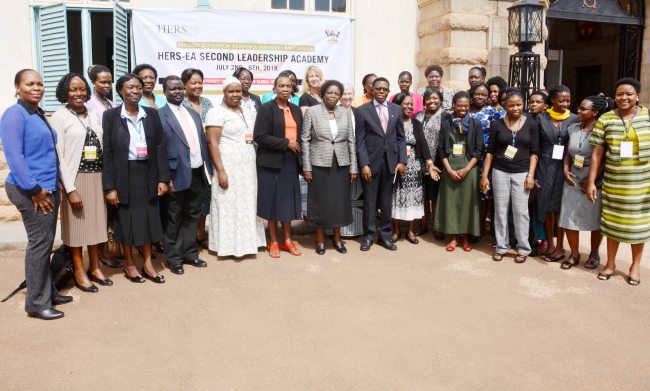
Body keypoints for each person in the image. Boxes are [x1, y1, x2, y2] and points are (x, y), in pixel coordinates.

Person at [0, 69, 70, 320]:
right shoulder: (14, 114)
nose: (36, 88)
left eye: (40, 83)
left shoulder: (37, 113)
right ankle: (37, 303)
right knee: (40, 245)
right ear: (17, 87)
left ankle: (47, 291)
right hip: (30, 190)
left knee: (45, 242)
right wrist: (35, 190)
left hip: (46, 187)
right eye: (30, 84)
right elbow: (14, 156)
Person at [102, 73, 169, 284]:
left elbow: (160, 147)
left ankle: (148, 264)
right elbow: (109, 153)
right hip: (124, 175)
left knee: (148, 221)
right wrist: (110, 187)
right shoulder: (111, 116)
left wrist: (163, 179)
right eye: (130, 87)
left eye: (139, 87)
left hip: (147, 174)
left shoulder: (151, 114)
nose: (135, 91)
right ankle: (130, 264)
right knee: (126, 222)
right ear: (121, 90)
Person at [50, 72, 110, 292]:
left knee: (95, 225)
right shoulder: (59, 117)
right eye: (73, 89)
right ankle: (79, 271)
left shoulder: (93, 114)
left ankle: (94, 267)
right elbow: (60, 157)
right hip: (75, 178)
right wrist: (70, 189)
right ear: (65, 92)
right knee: (76, 228)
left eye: (82, 89)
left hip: (97, 177)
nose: (78, 93)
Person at [587, 78, 650, 285]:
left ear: (637, 96)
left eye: (629, 94)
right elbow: (597, 154)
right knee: (612, 226)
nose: (624, 97)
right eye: (620, 94)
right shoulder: (606, 119)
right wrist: (590, 182)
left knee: (638, 227)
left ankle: (635, 266)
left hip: (642, 184)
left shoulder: (648, 117)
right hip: (614, 183)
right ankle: (610, 263)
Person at [205, 77, 266, 257]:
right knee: (228, 203)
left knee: (247, 203)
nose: (235, 94)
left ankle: (249, 242)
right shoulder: (216, 112)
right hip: (227, 165)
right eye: (231, 91)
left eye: (238, 91)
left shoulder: (247, 110)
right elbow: (212, 143)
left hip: (247, 165)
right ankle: (228, 246)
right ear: (224, 93)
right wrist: (221, 171)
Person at [159, 75, 213, 274]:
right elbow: (159, 150)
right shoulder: (159, 115)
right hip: (175, 175)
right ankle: (174, 258)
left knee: (193, 215)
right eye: (172, 89)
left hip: (198, 172)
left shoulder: (193, 114)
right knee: (174, 218)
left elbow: (201, 143)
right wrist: (165, 178)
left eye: (180, 88)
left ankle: (190, 253)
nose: (177, 92)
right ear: (164, 92)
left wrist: (208, 171)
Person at [480, 90, 539, 262]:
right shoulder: (498, 124)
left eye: (518, 105)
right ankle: (501, 246)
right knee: (500, 211)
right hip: (500, 172)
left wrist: (530, 175)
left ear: (523, 105)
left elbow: (535, 152)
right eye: (511, 105)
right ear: (505, 105)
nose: (515, 108)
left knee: (521, 212)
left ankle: (523, 248)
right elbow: (490, 151)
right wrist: (485, 175)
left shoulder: (531, 124)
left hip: (522, 173)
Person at [301, 80, 357, 254]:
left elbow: (351, 140)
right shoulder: (312, 111)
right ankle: (319, 240)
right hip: (319, 164)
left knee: (339, 202)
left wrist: (353, 166)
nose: (333, 96)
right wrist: (307, 167)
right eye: (330, 93)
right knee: (320, 202)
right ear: (323, 94)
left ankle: (337, 239)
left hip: (341, 164)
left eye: (336, 93)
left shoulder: (345, 113)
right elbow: (305, 140)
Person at [254, 74, 304, 258]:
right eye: (281, 86)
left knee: (288, 203)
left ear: (292, 89)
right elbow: (260, 136)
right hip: (271, 163)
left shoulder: (296, 110)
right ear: (274, 88)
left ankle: (288, 241)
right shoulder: (267, 109)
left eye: (288, 86)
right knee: (273, 202)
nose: (285, 89)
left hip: (291, 161)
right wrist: (286, 143)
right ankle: (274, 241)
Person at [558, 96, 609, 270]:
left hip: (594, 180)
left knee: (594, 218)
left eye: (583, 109)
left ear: (595, 112)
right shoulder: (573, 128)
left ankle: (594, 253)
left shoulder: (602, 130)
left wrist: (592, 180)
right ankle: (574, 254)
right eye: (579, 108)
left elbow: (603, 159)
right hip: (573, 177)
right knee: (569, 216)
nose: (579, 111)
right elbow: (567, 153)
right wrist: (565, 169)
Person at [355, 77, 407, 251]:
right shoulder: (362, 111)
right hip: (371, 163)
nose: (381, 92)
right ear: (372, 90)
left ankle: (384, 236)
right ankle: (368, 236)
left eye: (385, 89)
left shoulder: (396, 110)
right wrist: (364, 164)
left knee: (386, 202)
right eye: (378, 88)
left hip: (391, 163)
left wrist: (402, 161)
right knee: (369, 201)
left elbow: (401, 138)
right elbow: (360, 140)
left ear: (388, 90)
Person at [434, 91, 484, 252]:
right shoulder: (446, 122)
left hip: (469, 168)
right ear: (454, 105)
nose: (463, 108)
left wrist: (467, 168)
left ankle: (466, 236)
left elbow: (479, 150)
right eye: (460, 105)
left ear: (469, 106)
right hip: (450, 166)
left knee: (468, 204)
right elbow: (441, 149)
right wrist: (448, 169)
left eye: (466, 105)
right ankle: (454, 237)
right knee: (451, 204)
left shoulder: (476, 124)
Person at [86, 64, 123, 268]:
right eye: (103, 82)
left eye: (109, 81)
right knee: (101, 210)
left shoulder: (109, 102)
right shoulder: (90, 103)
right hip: (99, 162)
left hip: (113, 159)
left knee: (111, 210)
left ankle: (112, 250)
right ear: (93, 82)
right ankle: (104, 254)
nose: (107, 85)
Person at [390, 93, 440, 244]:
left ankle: (410, 231)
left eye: (411, 104)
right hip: (396, 166)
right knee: (396, 198)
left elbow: (423, 145)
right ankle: (396, 230)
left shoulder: (416, 124)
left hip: (414, 167)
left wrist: (430, 165)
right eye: (406, 103)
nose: (409, 106)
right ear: (398, 105)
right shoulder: (391, 123)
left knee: (413, 199)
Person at [536, 85, 578, 262]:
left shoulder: (575, 119)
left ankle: (561, 246)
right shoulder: (541, 118)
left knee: (561, 207)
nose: (565, 103)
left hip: (565, 166)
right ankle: (550, 243)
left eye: (568, 100)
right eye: (561, 100)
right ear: (552, 100)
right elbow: (535, 146)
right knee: (546, 206)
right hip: (545, 165)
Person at [180, 68, 214, 249]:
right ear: (185, 85)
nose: (197, 86)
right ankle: (189, 237)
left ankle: (201, 234)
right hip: (188, 158)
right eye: (193, 82)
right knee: (189, 200)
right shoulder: (181, 104)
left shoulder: (207, 103)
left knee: (205, 197)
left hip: (207, 157)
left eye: (200, 82)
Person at [415, 87, 445, 237]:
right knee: (424, 195)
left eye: (435, 98)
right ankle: (424, 224)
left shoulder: (445, 117)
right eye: (428, 98)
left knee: (437, 195)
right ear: (424, 101)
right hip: (419, 162)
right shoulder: (418, 116)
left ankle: (438, 226)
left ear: (440, 100)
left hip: (438, 162)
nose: (432, 101)